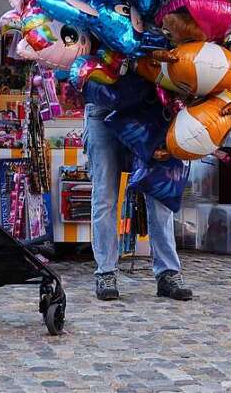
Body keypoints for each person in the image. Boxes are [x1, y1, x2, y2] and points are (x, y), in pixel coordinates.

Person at [82, 73, 192, 302]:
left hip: (150, 106)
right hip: (102, 107)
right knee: (105, 195)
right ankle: (106, 272)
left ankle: (168, 273)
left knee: (159, 195)